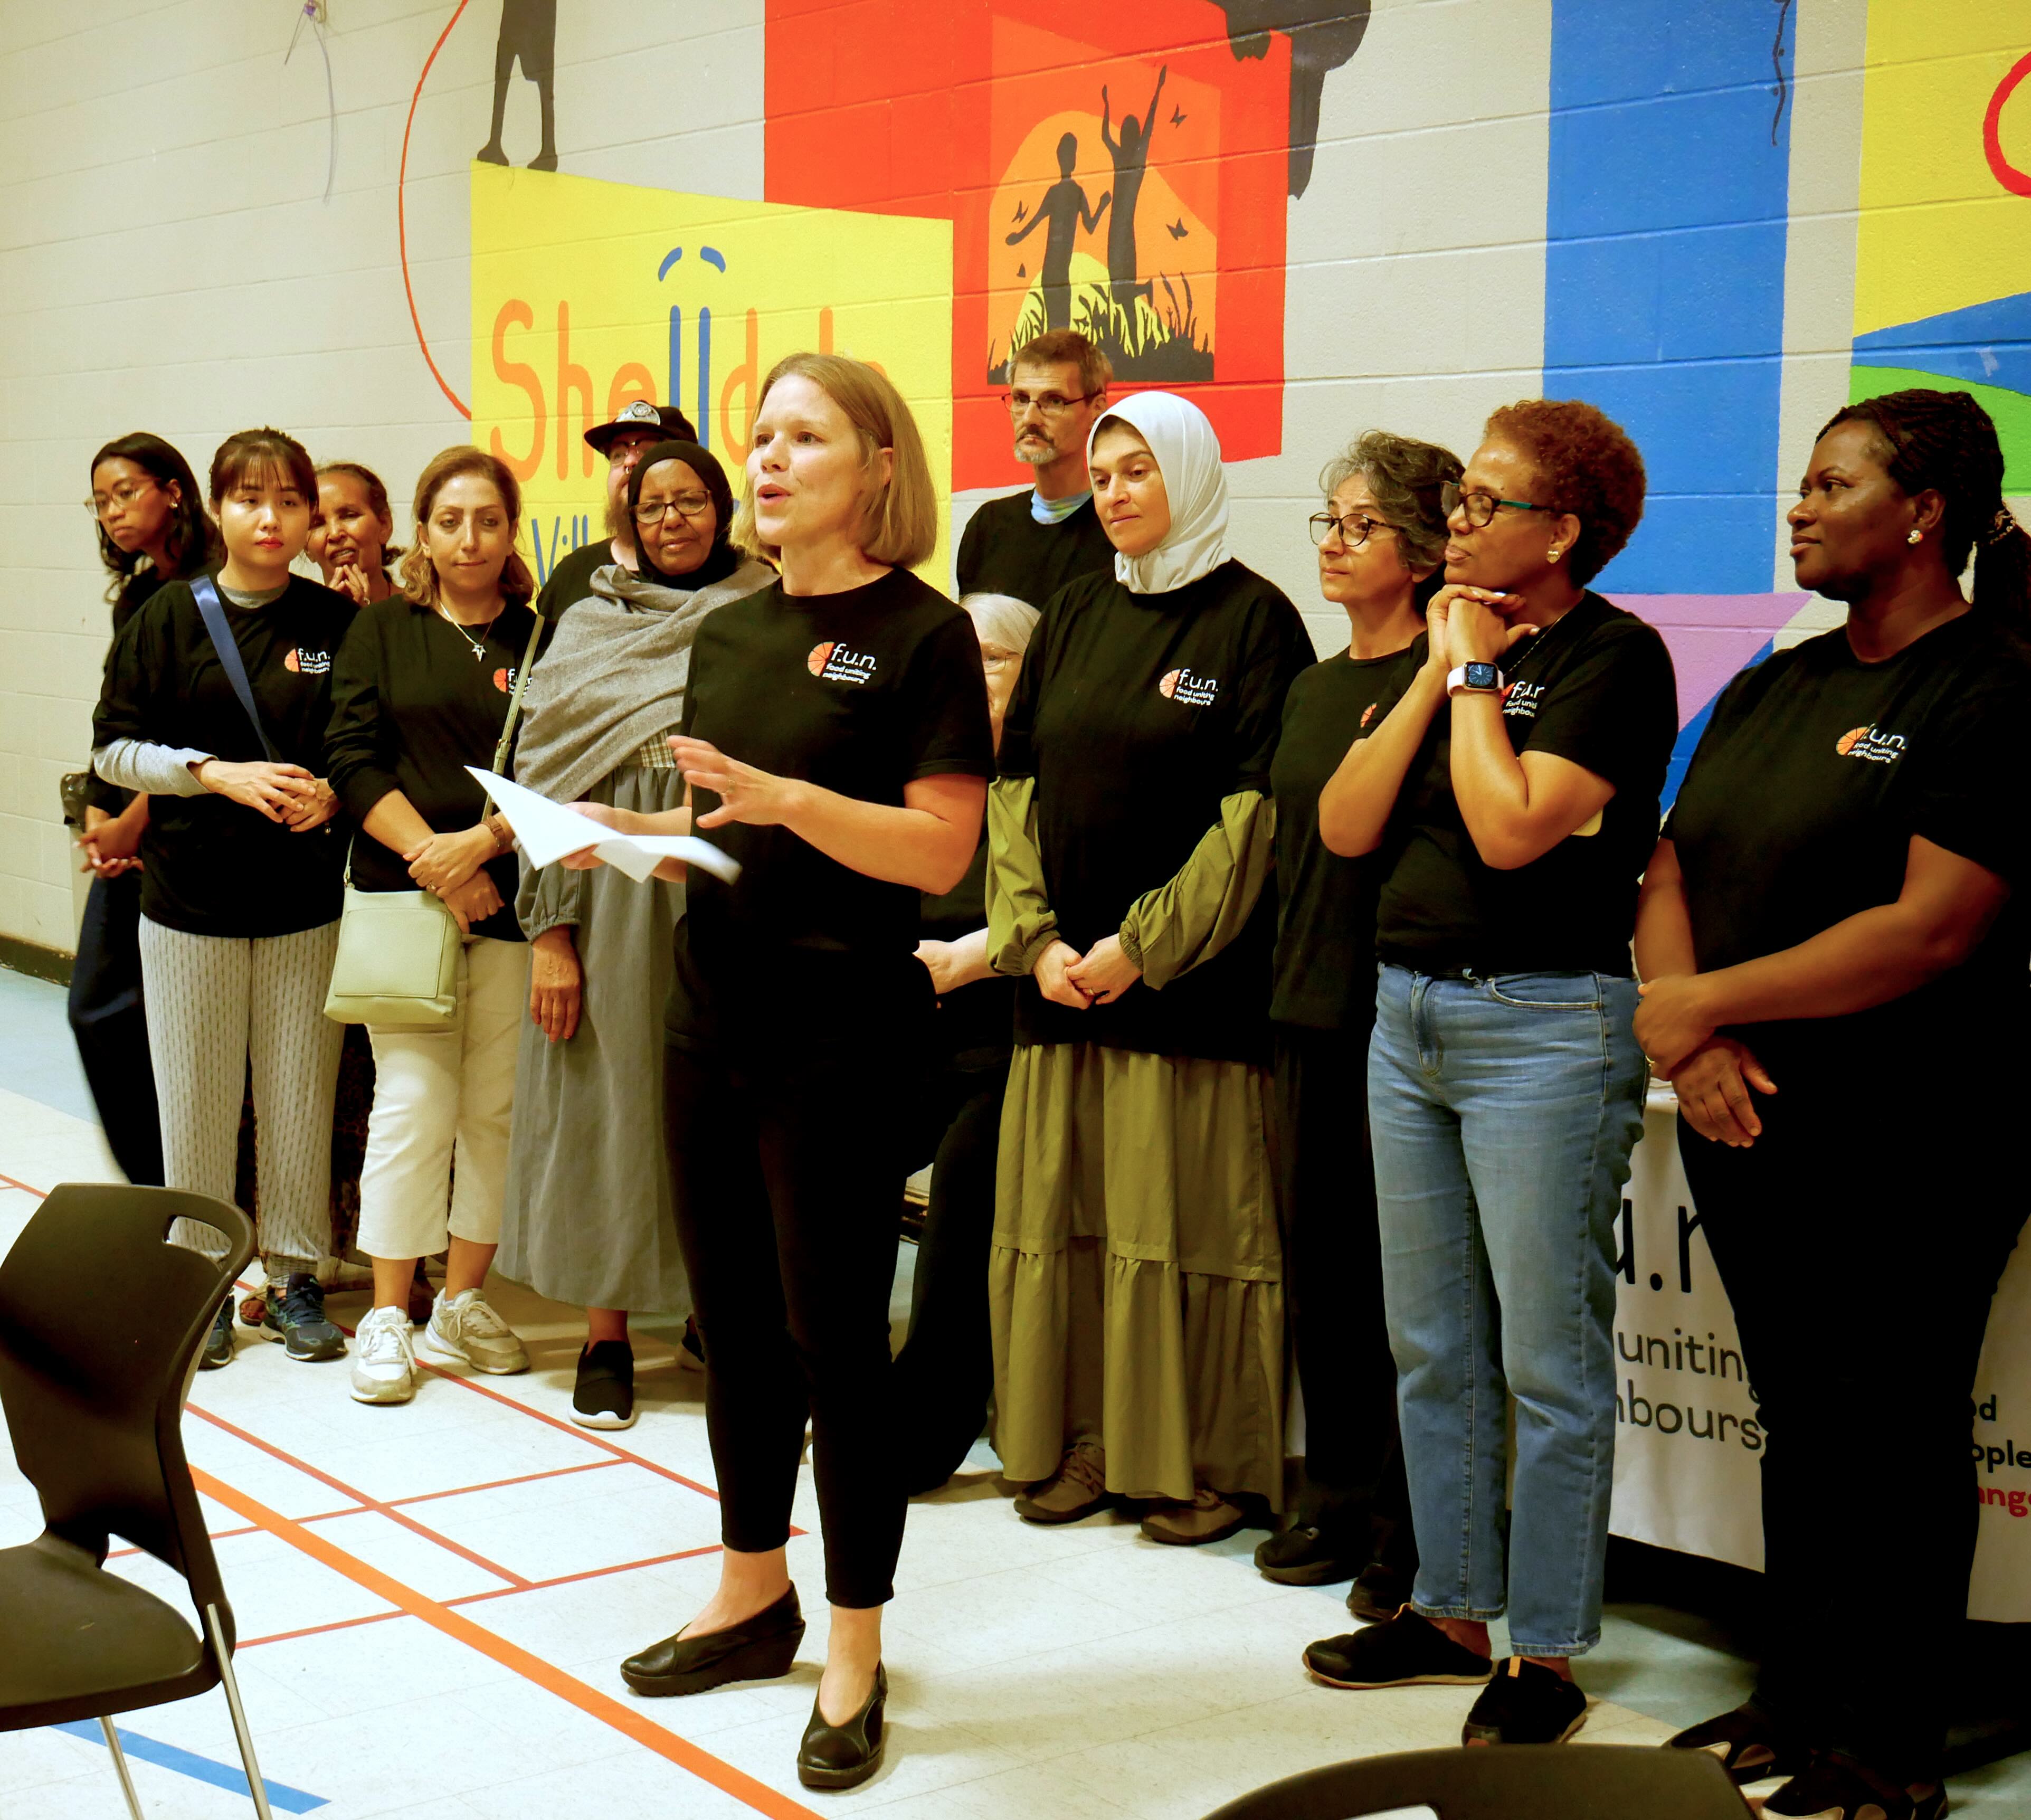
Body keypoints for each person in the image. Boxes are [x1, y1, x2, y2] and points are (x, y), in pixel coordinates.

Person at [558, 354, 990, 1791]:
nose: (771, 456)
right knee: (730, 1329)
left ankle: (856, 1646)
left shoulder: (921, 638)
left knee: (833, 1345)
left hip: (839, 1033)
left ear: (878, 463)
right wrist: (613, 835)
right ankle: (754, 1590)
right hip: (711, 1015)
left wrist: (789, 801)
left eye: (806, 435)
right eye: (763, 433)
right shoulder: (732, 630)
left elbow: (939, 850)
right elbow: (717, 825)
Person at [1635, 390, 2031, 1820]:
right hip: (1749, 1119)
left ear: (1922, 513)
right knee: (1799, 1415)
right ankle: (1797, 1694)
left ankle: (1892, 1744)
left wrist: (1707, 1004)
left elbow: (1932, 929)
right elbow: (1671, 869)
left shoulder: (1991, 688)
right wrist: (1692, 1040)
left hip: (1919, 1132)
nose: (1797, 505)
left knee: (1898, 1425)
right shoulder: (1776, 683)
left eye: (1830, 483)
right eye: (1799, 483)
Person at [1301, 400, 1674, 1748]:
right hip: (1406, 1014)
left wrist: (1469, 680)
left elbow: (1514, 830)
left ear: (1558, 531)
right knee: (1430, 1341)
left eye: (1481, 505)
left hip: (1542, 1023)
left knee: (1546, 1358)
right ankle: (1448, 1607)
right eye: (1454, 501)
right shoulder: (1452, 644)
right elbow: (1347, 825)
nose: (1454, 522)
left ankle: (1548, 1651)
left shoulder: (1613, 660)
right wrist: (1437, 669)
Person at [988, 389, 1313, 1546]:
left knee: (1191, 1234)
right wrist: (1037, 940)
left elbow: (1257, 817)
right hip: (1063, 990)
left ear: (1190, 474)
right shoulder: (1073, 612)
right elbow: (1013, 785)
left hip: (1189, 998)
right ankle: (1084, 1442)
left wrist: (1144, 946)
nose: (1117, 492)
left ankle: (1205, 1464)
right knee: (1071, 1228)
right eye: (1104, 472)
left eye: (1139, 471)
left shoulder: (1254, 624)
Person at [500, 439, 775, 1430]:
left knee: (721, 1114)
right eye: (653, 504)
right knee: (610, 1106)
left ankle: (713, 1313)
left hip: (724, 878)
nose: (673, 521)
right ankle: (606, 1335)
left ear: (721, 507)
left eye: (692, 500)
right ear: (628, 515)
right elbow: (539, 777)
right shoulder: (584, 618)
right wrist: (551, 931)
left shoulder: (763, 605)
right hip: (605, 885)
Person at [91, 427, 354, 1369]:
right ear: (219, 508)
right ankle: (200, 1279)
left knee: (296, 1095)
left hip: (303, 904)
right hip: (188, 907)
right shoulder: (165, 616)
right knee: (195, 1102)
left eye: (288, 500)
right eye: (249, 499)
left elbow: (361, 745)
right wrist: (212, 773)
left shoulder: (333, 624)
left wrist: (334, 788)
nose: (269, 518)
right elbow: (113, 750)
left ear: (310, 514)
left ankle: (291, 1276)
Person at [1252, 432, 1458, 1615]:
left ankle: (1407, 1517)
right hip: (1303, 1005)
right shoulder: (1316, 686)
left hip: (1401, 1014)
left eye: (1359, 524)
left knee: (1404, 1292)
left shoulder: (1446, 690)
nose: (1332, 543)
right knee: (1322, 1276)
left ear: (1423, 550)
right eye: (1325, 521)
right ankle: (1328, 1488)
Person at [324, 447, 549, 1406]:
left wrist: (485, 849)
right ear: (423, 531)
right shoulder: (383, 627)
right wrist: (440, 863)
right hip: (405, 899)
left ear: (511, 531)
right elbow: (351, 757)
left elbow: (554, 769)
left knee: (493, 1110)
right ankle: (389, 1311)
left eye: (488, 520)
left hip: (507, 901)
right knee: (414, 1102)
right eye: (450, 520)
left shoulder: (542, 640)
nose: (470, 538)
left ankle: (461, 1298)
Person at [896, 589, 1040, 1494]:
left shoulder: (1051, 777)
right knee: (815, 1168)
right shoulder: (919, 773)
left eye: (991, 657)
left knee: (957, 1215)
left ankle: (917, 1433)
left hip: (1010, 1042)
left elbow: (1076, 905)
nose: (969, 673)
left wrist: (971, 959)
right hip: (905, 1032)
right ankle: (824, 1386)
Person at [72, 432, 219, 1188]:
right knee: (100, 1011)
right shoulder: (137, 594)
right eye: (100, 502)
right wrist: (101, 816)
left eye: (125, 492)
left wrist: (135, 816)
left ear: (172, 490)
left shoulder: (212, 588)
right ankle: (155, 1189)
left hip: (186, 832)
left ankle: (189, 1193)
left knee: (141, 1020)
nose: (113, 513)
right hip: (133, 825)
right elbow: (122, 720)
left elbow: (199, 727)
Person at [957, 329, 1118, 609]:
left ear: (1096, 409)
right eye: (1020, 399)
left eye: (1054, 401)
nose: (1030, 418)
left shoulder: (1117, 526)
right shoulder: (988, 526)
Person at [535, 400, 700, 619]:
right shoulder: (573, 573)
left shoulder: (723, 577)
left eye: (648, 450)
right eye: (618, 454)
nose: (630, 461)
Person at [1004, 134, 1109, 335]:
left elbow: (1090, 226)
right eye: (1064, 155)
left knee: (1061, 330)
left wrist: (1103, 206)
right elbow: (1036, 220)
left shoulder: (1076, 193)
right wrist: (1018, 236)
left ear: (1074, 159)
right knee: (1057, 330)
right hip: (1052, 273)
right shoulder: (1057, 193)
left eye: (1069, 155)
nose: (1067, 160)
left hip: (1060, 274)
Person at [308, 462, 401, 606]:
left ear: (384, 524)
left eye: (349, 516)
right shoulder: (295, 625)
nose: (334, 534)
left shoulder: (426, 613)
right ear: (305, 548)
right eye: (317, 524)